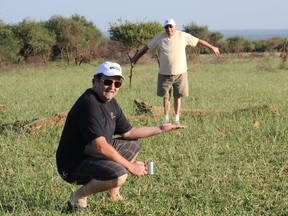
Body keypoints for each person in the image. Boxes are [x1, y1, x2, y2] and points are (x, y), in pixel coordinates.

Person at [56, 61, 187, 212]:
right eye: (107, 82)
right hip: (73, 163)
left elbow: (129, 132)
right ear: (96, 81)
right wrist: (130, 166)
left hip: (91, 153)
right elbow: (100, 146)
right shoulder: (89, 104)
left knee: (134, 144)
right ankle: (78, 197)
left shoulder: (110, 102)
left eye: (117, 84)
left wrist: (161, 128)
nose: (112, 87)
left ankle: (114, 195)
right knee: (119, 174)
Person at [131, 19, 221, 124]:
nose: (169, 29)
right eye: (167, 27)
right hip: (164, 74)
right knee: (166, 97)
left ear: (175, 26)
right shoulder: (160, 38)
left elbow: (197, 41)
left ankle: (177, 119)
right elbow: (147, 47)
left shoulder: (182, 36)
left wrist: (212, 47)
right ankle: (166, 119)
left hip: (180, 73)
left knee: (177, 97)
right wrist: (136, 58)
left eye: (171, 26)